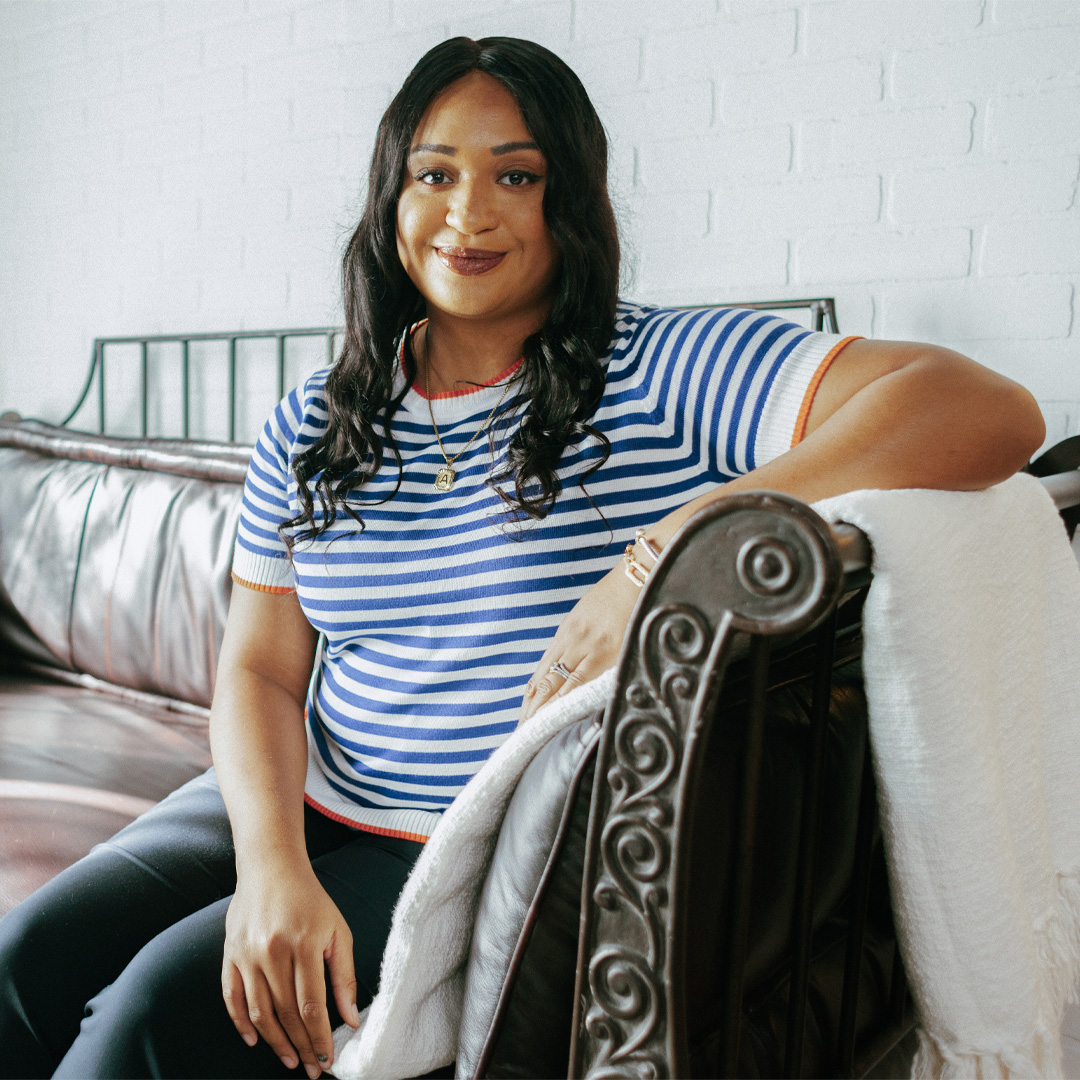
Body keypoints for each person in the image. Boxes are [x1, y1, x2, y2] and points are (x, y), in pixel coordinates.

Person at [0, 35, 1044, 1080]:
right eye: (436, 173)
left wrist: (666, 549)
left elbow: (986, 409)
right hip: (294, 799)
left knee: (142, 1027)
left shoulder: (659, 368)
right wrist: (270, 867)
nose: (469, 212)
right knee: (23, 962)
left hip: (465, 846)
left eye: (517, 175)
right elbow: (260, 669)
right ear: (391, 198)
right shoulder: (312, 423)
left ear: (570, 201)